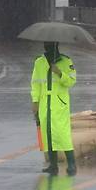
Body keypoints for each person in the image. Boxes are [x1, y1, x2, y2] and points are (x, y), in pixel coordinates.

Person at [31, 42, 77, 176]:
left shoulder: (66, 61)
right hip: (45, 103)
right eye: (47, 46)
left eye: (52, 46)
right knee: (48, 134)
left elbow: (71, 81)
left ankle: (71, 164)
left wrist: (59, 72)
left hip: (59, 104)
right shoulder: (39, 62)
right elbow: (35, 84)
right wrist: (35, 101)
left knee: (62, 133)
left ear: (57, 46)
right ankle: (53, 165)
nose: (49, 49)